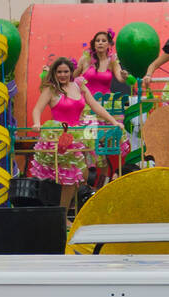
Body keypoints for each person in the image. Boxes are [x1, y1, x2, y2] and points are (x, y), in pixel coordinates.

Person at [29, 58, 124, 208]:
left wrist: (113, 121)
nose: (62, 75)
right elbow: (37, 109)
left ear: (71, 72)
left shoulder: (79, 85)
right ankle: (62, 214)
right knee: (70, 179)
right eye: (59, 72)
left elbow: (95, 106)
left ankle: (66, 210)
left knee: (82, 176)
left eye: (65, 71)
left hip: (79, 135)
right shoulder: (51, 89)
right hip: (60, 136)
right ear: (54, 72)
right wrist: (36, 123)